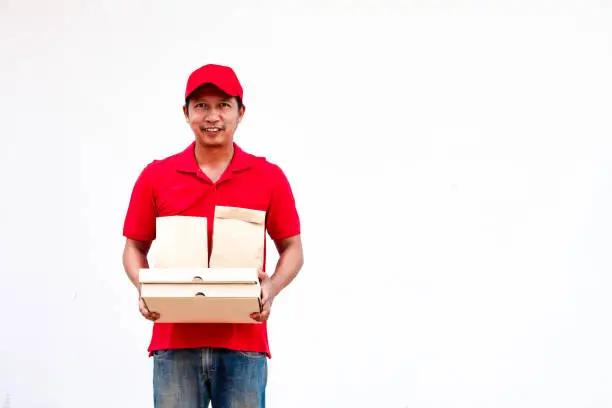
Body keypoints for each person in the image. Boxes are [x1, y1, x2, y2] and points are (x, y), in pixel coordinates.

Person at [121, 63, 304, 408]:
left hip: (243, 342)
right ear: (186, 112)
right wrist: (143, 286)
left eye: (223, 105)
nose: (212, 116)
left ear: (241, 112)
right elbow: (134, 246)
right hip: (174, 340)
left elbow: (293, 248)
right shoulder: (157, 176)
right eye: (201, 105)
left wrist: (273, 286)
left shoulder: (268, 177)